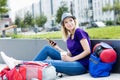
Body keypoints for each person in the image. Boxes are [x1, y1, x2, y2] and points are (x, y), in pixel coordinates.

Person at [0, 12, 91, 75]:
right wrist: (57, 47)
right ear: (64, 25)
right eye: (66, 22)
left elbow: (87, 50)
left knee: (47, 62)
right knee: (47, 48)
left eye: (70, 20)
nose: (69, 23)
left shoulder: (79, 32)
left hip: (81, 66)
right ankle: (22, 66)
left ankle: (19, 64)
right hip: (73, 61)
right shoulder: (68, 37)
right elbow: (69, 55)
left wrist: (71, 59)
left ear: (74, 21)